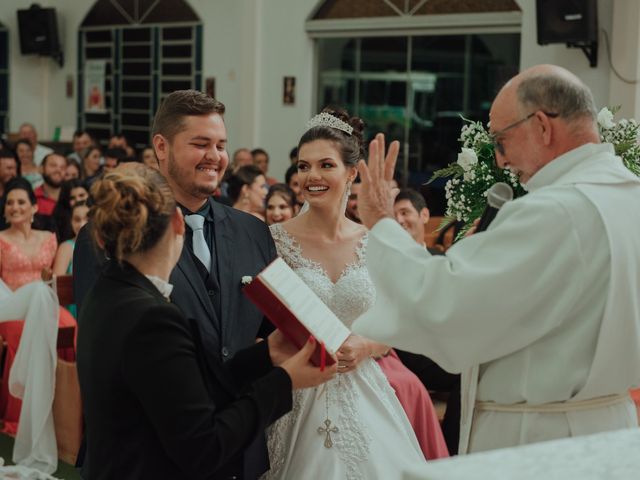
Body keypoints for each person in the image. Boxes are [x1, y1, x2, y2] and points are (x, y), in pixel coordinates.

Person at [353, 64, 640, 454]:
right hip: (611, 430)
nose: (501, 160)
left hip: (539, 441)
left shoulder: (557, 210)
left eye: (500, 140)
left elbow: (447, 303)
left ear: (542, 126)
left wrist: (382, 224)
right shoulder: (628, 195)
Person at [77, 164, 336, 480]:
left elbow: (184, 389)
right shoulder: (152, 318)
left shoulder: (107, 292)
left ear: (102, 238)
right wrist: (285, 380)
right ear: (177, 222)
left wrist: (264, 354)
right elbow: (205, 446)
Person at [264, 108, 444, 479]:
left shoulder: (373, 240)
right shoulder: (273, 240)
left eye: (325, 165)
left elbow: (396, 323)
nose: (311, 176)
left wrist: (366, 346)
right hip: (295, 388)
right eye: (303, 166)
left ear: (352, 172)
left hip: (363, 387)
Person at [392, 188, 462, 454]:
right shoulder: (385, 262)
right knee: (463, 374)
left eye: (405, 212)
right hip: (405, 349)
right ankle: (451, 454)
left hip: (442, 345)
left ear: (423, 215)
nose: (399, 220)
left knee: (474, 368)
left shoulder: (443, 261)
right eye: (393, 215)